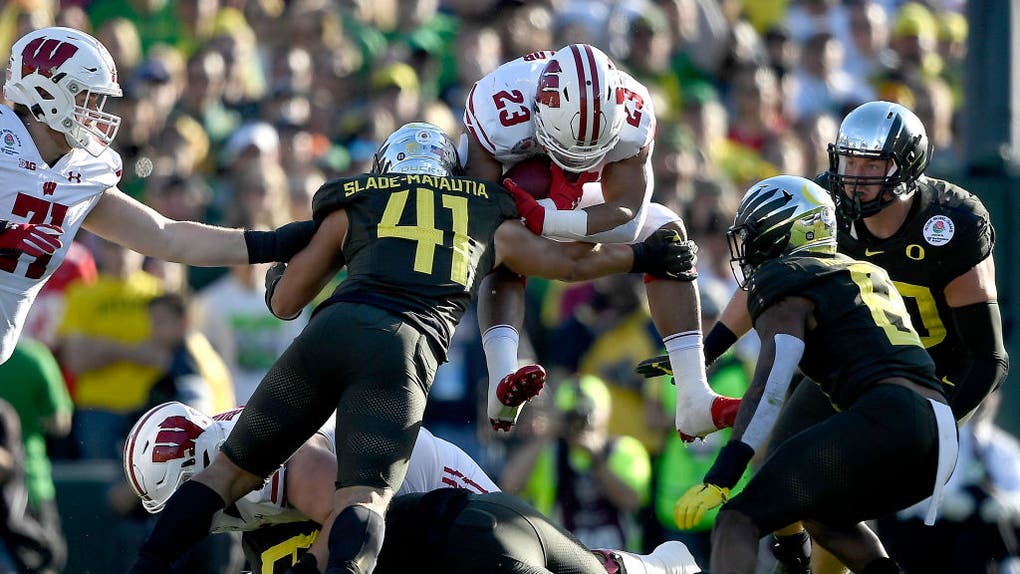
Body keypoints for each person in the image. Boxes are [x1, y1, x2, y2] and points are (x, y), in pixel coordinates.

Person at [126, 121, 697, 574]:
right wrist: (643, 256)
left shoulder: (357, 200)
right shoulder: (483, 208)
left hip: (330, 330)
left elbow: (285, 303)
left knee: (223, 472)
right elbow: (566, 262)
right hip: (398, 347)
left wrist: (280, 280)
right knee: (364, 502)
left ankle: (145, 565)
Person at [636, 101, 1007, 571]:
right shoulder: (826, 205)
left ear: (907, 167)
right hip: (854, 379)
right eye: (848, 163)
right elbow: (765, 291)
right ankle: (797, 560)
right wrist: (708, 350)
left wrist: (944, 422)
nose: (853, 177)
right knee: (803, 498)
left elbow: (988, 359)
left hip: (924, 382)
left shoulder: (949, 224)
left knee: (744, 511)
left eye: (870, 166)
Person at [671, 174, 958, 574]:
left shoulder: (788, 278)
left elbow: (773, 377)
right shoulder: (857, 271)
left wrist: (725, 472)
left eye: (756, 233)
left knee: (737, 518)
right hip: (939, 429)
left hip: (888, 413)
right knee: (823, 514)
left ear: (785, 232)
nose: (748, 247)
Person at [0, 26, 316, 366]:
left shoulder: (83, 172)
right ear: (46, 92)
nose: (95, 110)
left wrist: (275, 243)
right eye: (85, 97)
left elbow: (169, 238)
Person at [462, 44, 731, 438]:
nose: (580, 161)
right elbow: (482, 221)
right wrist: (534, 214)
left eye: (594, 152)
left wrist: (552, 217)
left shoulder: (635, 108)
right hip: (513, 197)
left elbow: (628, 211)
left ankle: (693, 394)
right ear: (538, 112)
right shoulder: (497, 107)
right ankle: (502, 371)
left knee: (668, 231)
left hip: (576, 202)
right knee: (500, 246)